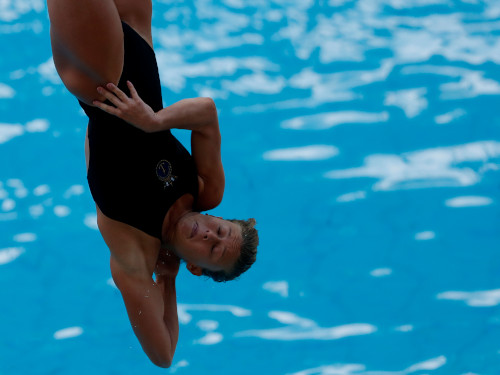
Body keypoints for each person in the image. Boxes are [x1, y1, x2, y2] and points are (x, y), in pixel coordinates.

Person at [47, 0, 258, 368]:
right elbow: (207, 113)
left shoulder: (134, 252)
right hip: (139, 34)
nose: (211, 236)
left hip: (99, 73)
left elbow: (163, 354)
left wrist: (167, 279)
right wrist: (153, 122)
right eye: (222, 230)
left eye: (212, 251)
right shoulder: (206, 189)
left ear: (194, 267)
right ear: (220, 218)